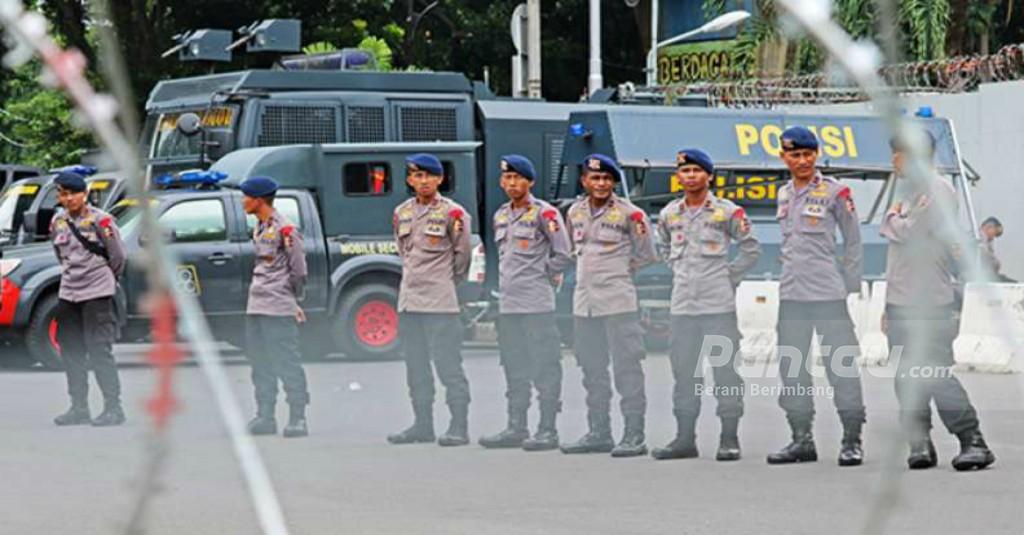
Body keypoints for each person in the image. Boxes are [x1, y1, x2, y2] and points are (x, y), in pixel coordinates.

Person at [882, 134, 995, 471]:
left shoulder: (938, 188)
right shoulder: (910, 193)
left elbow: (907, 231)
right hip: (902, 301)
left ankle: (972, 439)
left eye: (898, 155)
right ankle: (919, 442)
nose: (894, 162)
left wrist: (891, 217)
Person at [768, 126, 867, 466]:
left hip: (827, 294)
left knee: (841, 368)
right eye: (794, 155)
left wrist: (850, 284)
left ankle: (852, 439)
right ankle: (801, 439)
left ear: (817, 154)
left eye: (808, 154)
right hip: (792, 294)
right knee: (792, 369)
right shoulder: (783, 194)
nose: (802, 160)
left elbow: (853, 241)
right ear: (784, 157)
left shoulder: (836, 192)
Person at [654, 149, 761, 461]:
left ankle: (729, 439)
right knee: (685, 374)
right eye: (685, 171)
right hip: (683, 308)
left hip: (718, 308)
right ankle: (685, 438)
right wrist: (677, 270)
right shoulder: (669, 214)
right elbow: (662, 245)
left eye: (696, 171)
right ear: (678, 177)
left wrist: (730, 276)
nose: (690, 177)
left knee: (725, 374)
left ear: (709, 176)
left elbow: (751, 249)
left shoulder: (727, 212)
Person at [560, 154, 658, 458]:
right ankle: (599, 432)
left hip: (618, 301)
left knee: (627, 368)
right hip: (584, 303)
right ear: (584, 181)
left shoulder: (631, 214)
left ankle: (634, 434)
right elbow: (573, 251)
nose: (601, 184)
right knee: (592, 370)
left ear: (614, 182)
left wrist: (617, 272)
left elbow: (646, 254)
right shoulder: (574, 211)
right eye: (595, 178)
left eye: (606, 179)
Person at [479, 155, 572, 451]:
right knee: (513, 366)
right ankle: (516, 426)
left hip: (537, 305)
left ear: (530, 182)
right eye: (507, 178)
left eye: (518, 178)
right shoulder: (501, 215)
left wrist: (543, 275)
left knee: (545, 366)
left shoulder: (545, 214)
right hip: (509, 305)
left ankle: (547, 429)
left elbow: (563, 254)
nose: (512, 183)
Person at [388, 153, 473, 447]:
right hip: (410, 301)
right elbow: (404, 251)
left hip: (440, 302)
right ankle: (422, 424)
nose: (422, 181)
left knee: (448, 365)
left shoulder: (453, 214)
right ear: (409, 179)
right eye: (416, 175)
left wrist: (448, 282)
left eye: (428, 176)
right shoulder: (401, 212)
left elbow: (463, 256)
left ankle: (458, 426)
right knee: (415, 366)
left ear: (440, 179)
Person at [50, 171, 127, 427]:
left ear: (84, 194)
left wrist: (105, 279)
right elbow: (60, 255)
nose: (68, 198)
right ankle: (79, 407)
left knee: (98, 350)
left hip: (96, 291)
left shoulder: (101, 220)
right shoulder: (58, 222)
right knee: (71, 350)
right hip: (69, 291)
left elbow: (117, 257)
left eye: (72, 193)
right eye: (63, 194)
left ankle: (113, 408)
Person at [240, 176, 311, 438]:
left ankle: (297, 417)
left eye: (246, 197)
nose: (242, 201)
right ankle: (265, 415)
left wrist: (292, 301)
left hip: (278, 307)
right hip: (256, 304)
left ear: (259, 200)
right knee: (259, 363)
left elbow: (299, 271)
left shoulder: (286, 229)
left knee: (286, 362)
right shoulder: (260, 226)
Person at [978, 217, 1013, 282]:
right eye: (995, 232)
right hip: (979, 276)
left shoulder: (988, 241)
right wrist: (995, 261)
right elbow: (983, 255)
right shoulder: (978, 238)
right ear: (988, 227)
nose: (994, 236)